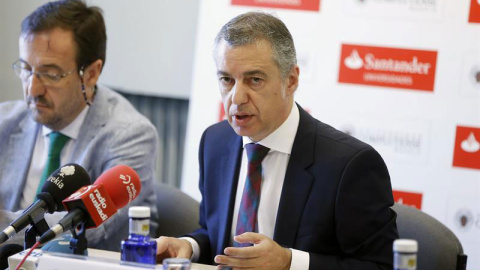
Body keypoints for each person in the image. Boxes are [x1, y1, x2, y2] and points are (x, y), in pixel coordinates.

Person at [156, 11, 398, 269]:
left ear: (290, 80)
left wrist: (289, 262)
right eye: (227, 79)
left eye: (255, 80)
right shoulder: (215, 143)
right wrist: (190, 247)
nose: (236, 98)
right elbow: (215, 236)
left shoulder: (349, 164)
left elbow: (382, 265)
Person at [0, 0, 158, 252]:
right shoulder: (6, 121)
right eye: (26, 69)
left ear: (92, 73)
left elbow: (91, 226)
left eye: (51, 74)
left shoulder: (130, 134)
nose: (32, 89)